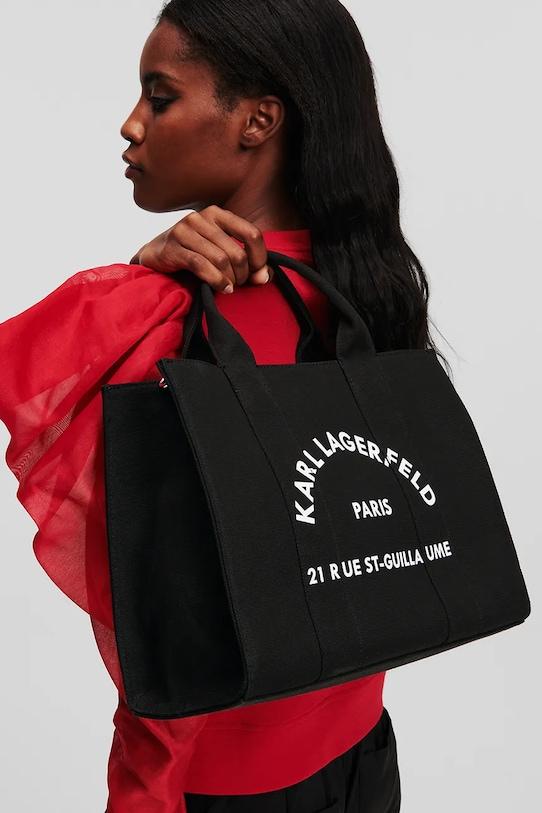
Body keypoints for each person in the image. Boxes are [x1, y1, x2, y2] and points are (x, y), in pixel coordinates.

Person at [0, 1, 450, 811]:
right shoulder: (370, 287)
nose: (131, 124)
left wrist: (135, 280)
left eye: (160, 95)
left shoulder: (161, 317)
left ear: (258, 121)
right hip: (362, 750)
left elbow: (165, 618)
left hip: (223, 783)